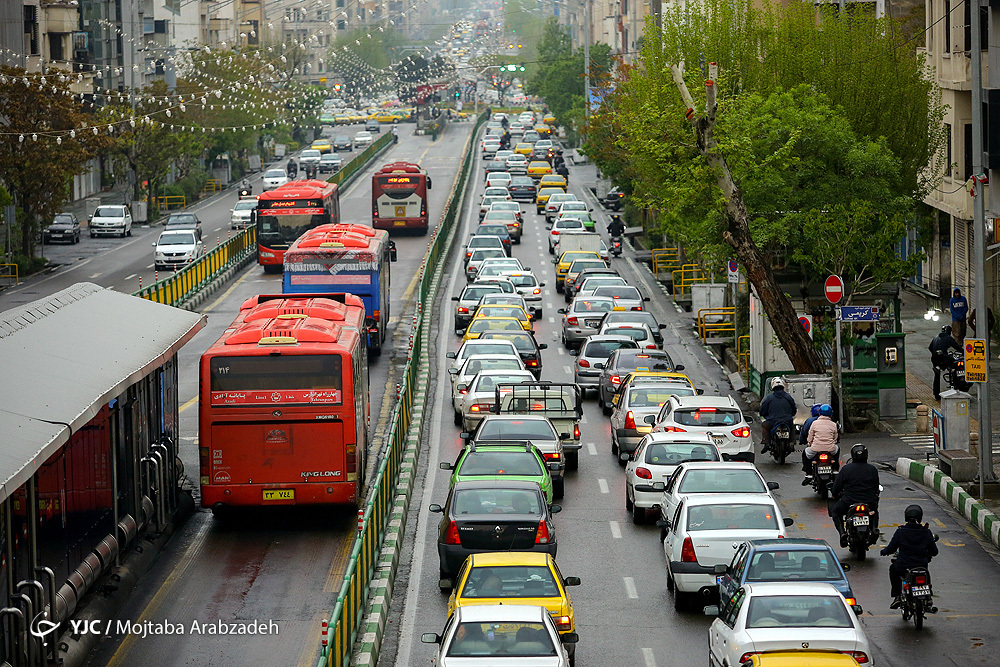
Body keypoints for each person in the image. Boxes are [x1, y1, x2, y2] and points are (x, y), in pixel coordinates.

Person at [880, 504, 939, 609]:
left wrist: (884, 552)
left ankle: (897, 596)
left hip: (903, 565)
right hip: (921, 565)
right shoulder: (926, 532)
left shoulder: (901, 532)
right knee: (926, 574)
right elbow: (934, 551)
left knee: (893, 569)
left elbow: (892, 548)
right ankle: (929, 598)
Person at [829, 444, 880, 548]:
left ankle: (842, 533)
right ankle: (874, 528)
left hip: (848, 501)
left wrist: (835, 494)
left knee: (835, 512)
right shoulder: (872, 469)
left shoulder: (846, 469)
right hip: (869, 501)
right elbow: (876, 487)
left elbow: (836, 487)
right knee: (874, 512)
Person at [801, 404, 839, 484]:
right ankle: (835, 469)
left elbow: (810, 436)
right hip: (830, 449)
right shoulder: (833, 424)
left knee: (805, 453)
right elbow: (835, 438)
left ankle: (809, 474)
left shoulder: (814, 423)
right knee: (837, 449)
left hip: (815, 449)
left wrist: (810, 443)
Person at [758, 378, 797, 453]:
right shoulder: (788, 397)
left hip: (772, 422)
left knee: (764, 425)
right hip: (787, 421)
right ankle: (791, 443)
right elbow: (794, 410)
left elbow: (763, 411)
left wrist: (765, 415)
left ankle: (767, 443)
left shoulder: (769, 398)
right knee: (792, 427)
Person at [928, 325, 962, 399]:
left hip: (934, 358)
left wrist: (936, 353)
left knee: (936, 375)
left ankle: (936, 394)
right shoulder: (948, 338)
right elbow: (957, 347)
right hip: (943, 358)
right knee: (954, 363)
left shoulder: (936, 337)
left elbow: (930, 347)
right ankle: (955, 383)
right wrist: (965, 353)